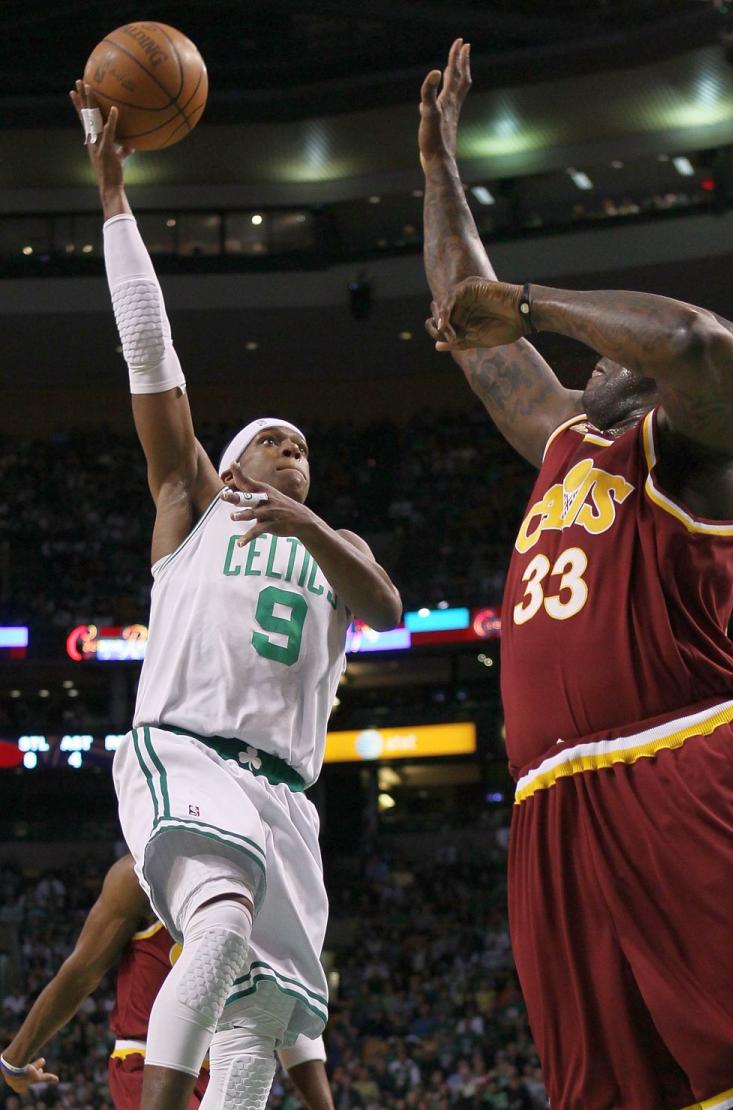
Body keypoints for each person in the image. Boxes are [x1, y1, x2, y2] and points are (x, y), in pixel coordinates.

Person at [419, 39, 733, 1110]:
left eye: (617, 353)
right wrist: (438, 176)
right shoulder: (566, 440)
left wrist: (534, 302)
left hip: (681, 760)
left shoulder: (705, 450)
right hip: (552, 806)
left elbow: (697, 342)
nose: (596, 361)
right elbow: (476, 329)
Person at [59, 82, 401, 1110]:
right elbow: (150, 353)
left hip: (288, 795)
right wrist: (113, 194)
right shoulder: (191, 504)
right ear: (233, 461)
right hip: (189, 749)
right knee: (215, 922)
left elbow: (384, 608)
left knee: (266, 1023)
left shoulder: (334, 548)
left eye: (305, 447)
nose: (295, 450)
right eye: (273, 440)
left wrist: (312, 529)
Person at [0, 855, 334, 1109]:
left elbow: (282, 1000)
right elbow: (80, 974)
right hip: (149, 1065)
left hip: (230, 1062)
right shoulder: (140, 874)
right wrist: (14, 1057)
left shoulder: (272, 874)